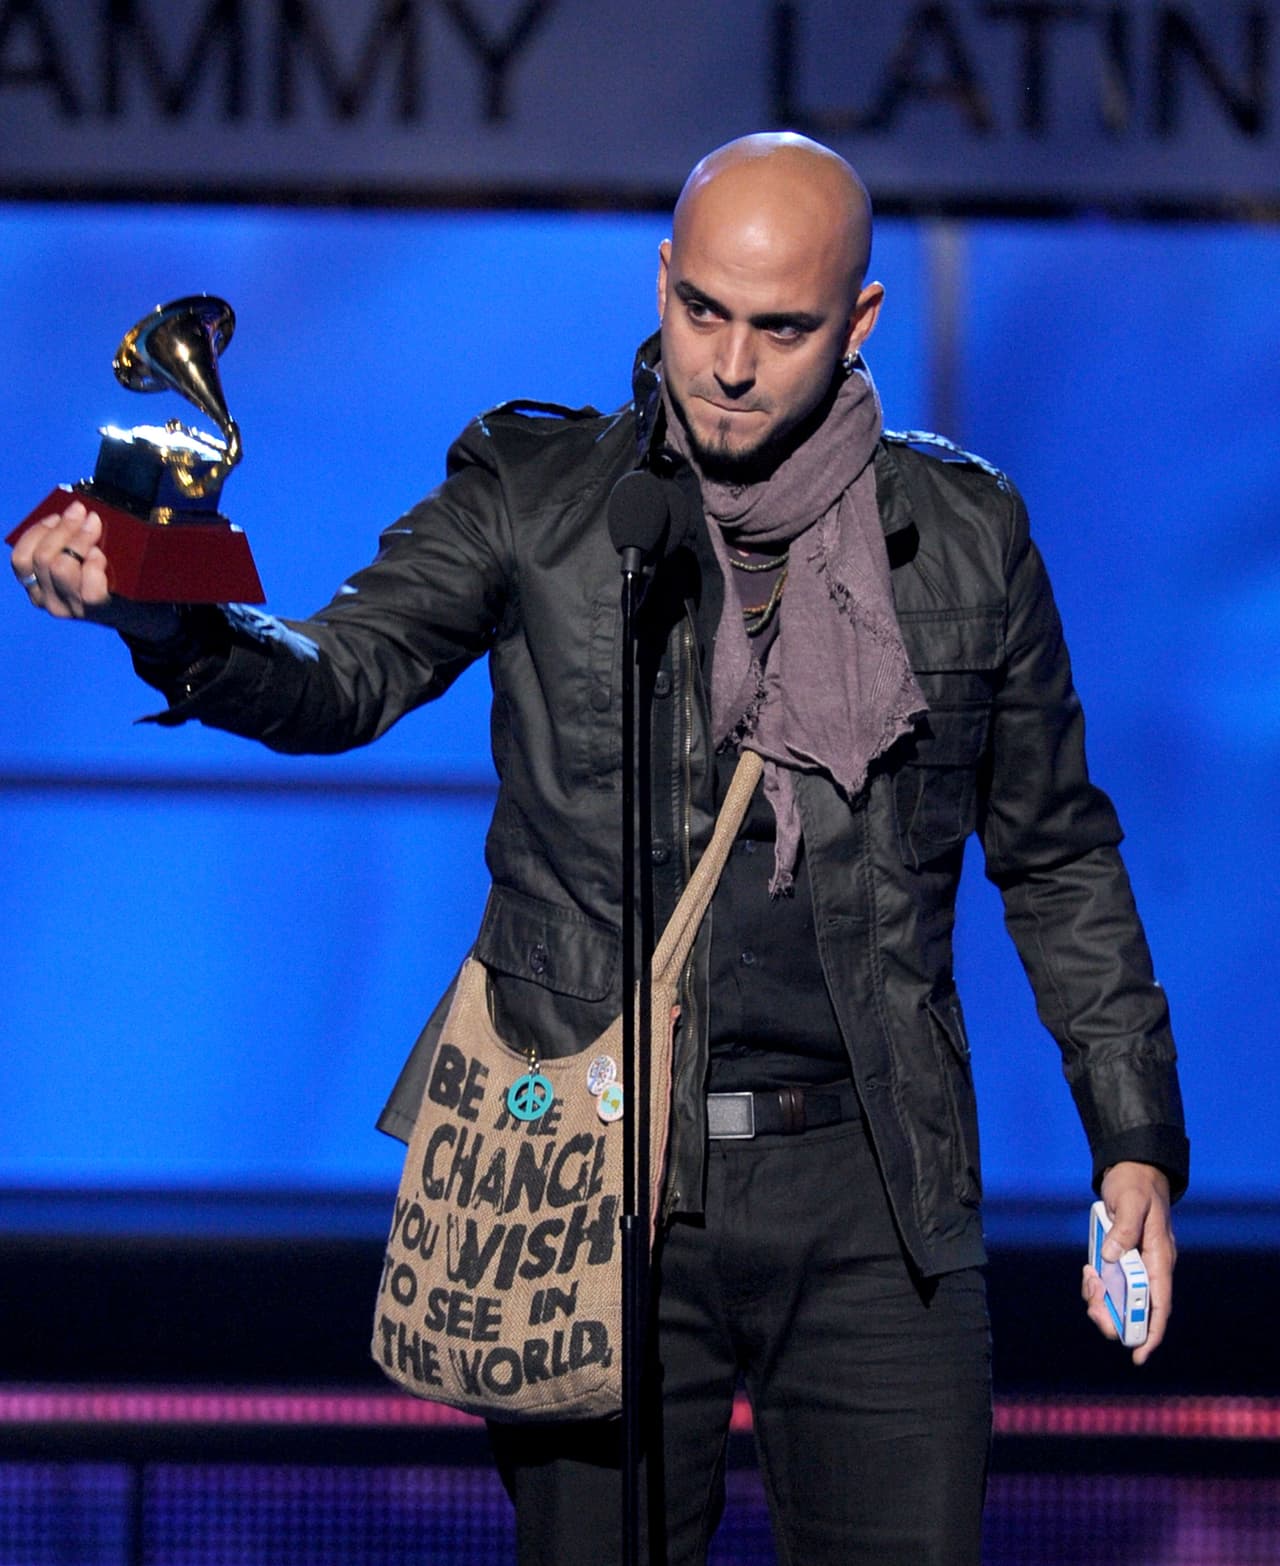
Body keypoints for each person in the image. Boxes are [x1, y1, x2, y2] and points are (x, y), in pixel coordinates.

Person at [11, 133, 1187, 1565]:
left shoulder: (965, 533)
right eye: (702, 310)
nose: (730, 364)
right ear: (661, 283)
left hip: (877, 1187)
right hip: (592, 1177)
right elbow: (342, 675)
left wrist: (1133, 1139)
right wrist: (169, 613)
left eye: (780, 325)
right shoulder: (544, 492)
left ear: (860, 321)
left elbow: (1056, 850)